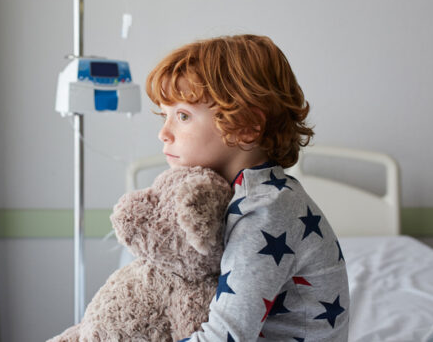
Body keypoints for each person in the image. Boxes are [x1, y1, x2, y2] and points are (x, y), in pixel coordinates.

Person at [145, 34, 349, 341]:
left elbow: (224, 337)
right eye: (165, 115)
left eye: (183, 115)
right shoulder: (251, 194)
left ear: (247, 126)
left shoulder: (264, 210)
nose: (164, 133)